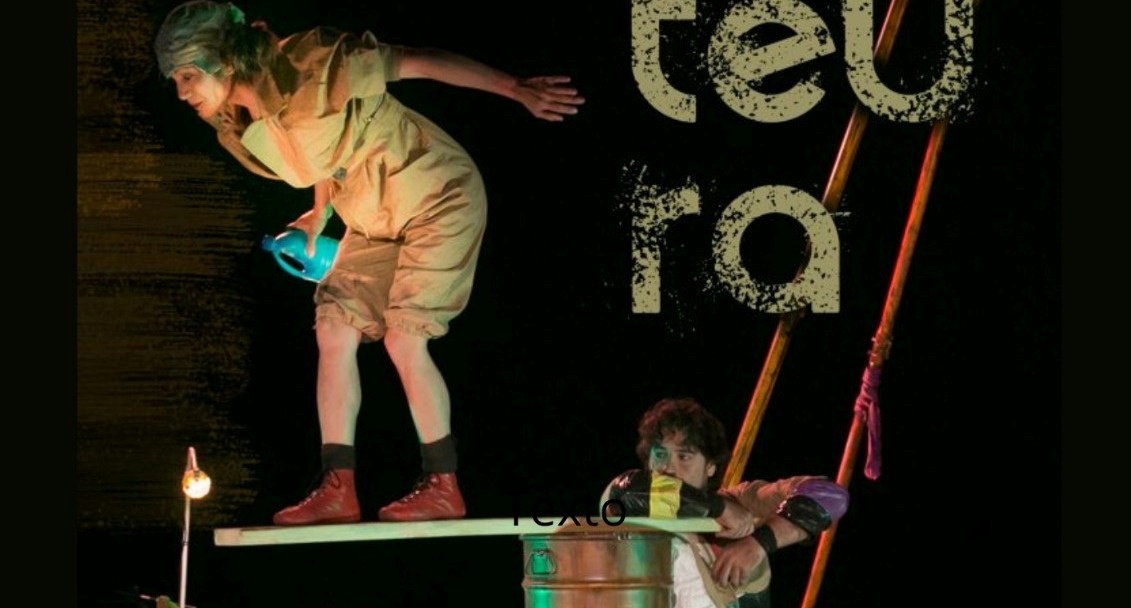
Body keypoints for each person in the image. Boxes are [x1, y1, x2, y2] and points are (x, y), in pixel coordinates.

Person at [154, 1, 584, 525]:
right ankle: (338, 487)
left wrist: (516, 89)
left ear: (222, 58)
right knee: (333, 328)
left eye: (188, 75)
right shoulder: (238, 121)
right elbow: (324, 150)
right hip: (372, 218)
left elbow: (416, 60)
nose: (182, 92)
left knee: (405, 338)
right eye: (176, 81)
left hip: (437, 195)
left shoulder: (310, 61)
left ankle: (443, 484)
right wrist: (319, 212)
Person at [601, 397, 849, 608]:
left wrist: (757, 543)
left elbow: (830, 496)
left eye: (684, 456)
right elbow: (623, 494)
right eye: (660, 454)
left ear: (710, 466)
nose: (669, 468)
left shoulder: (740, 500)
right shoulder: (630, 502)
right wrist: (717, 508)